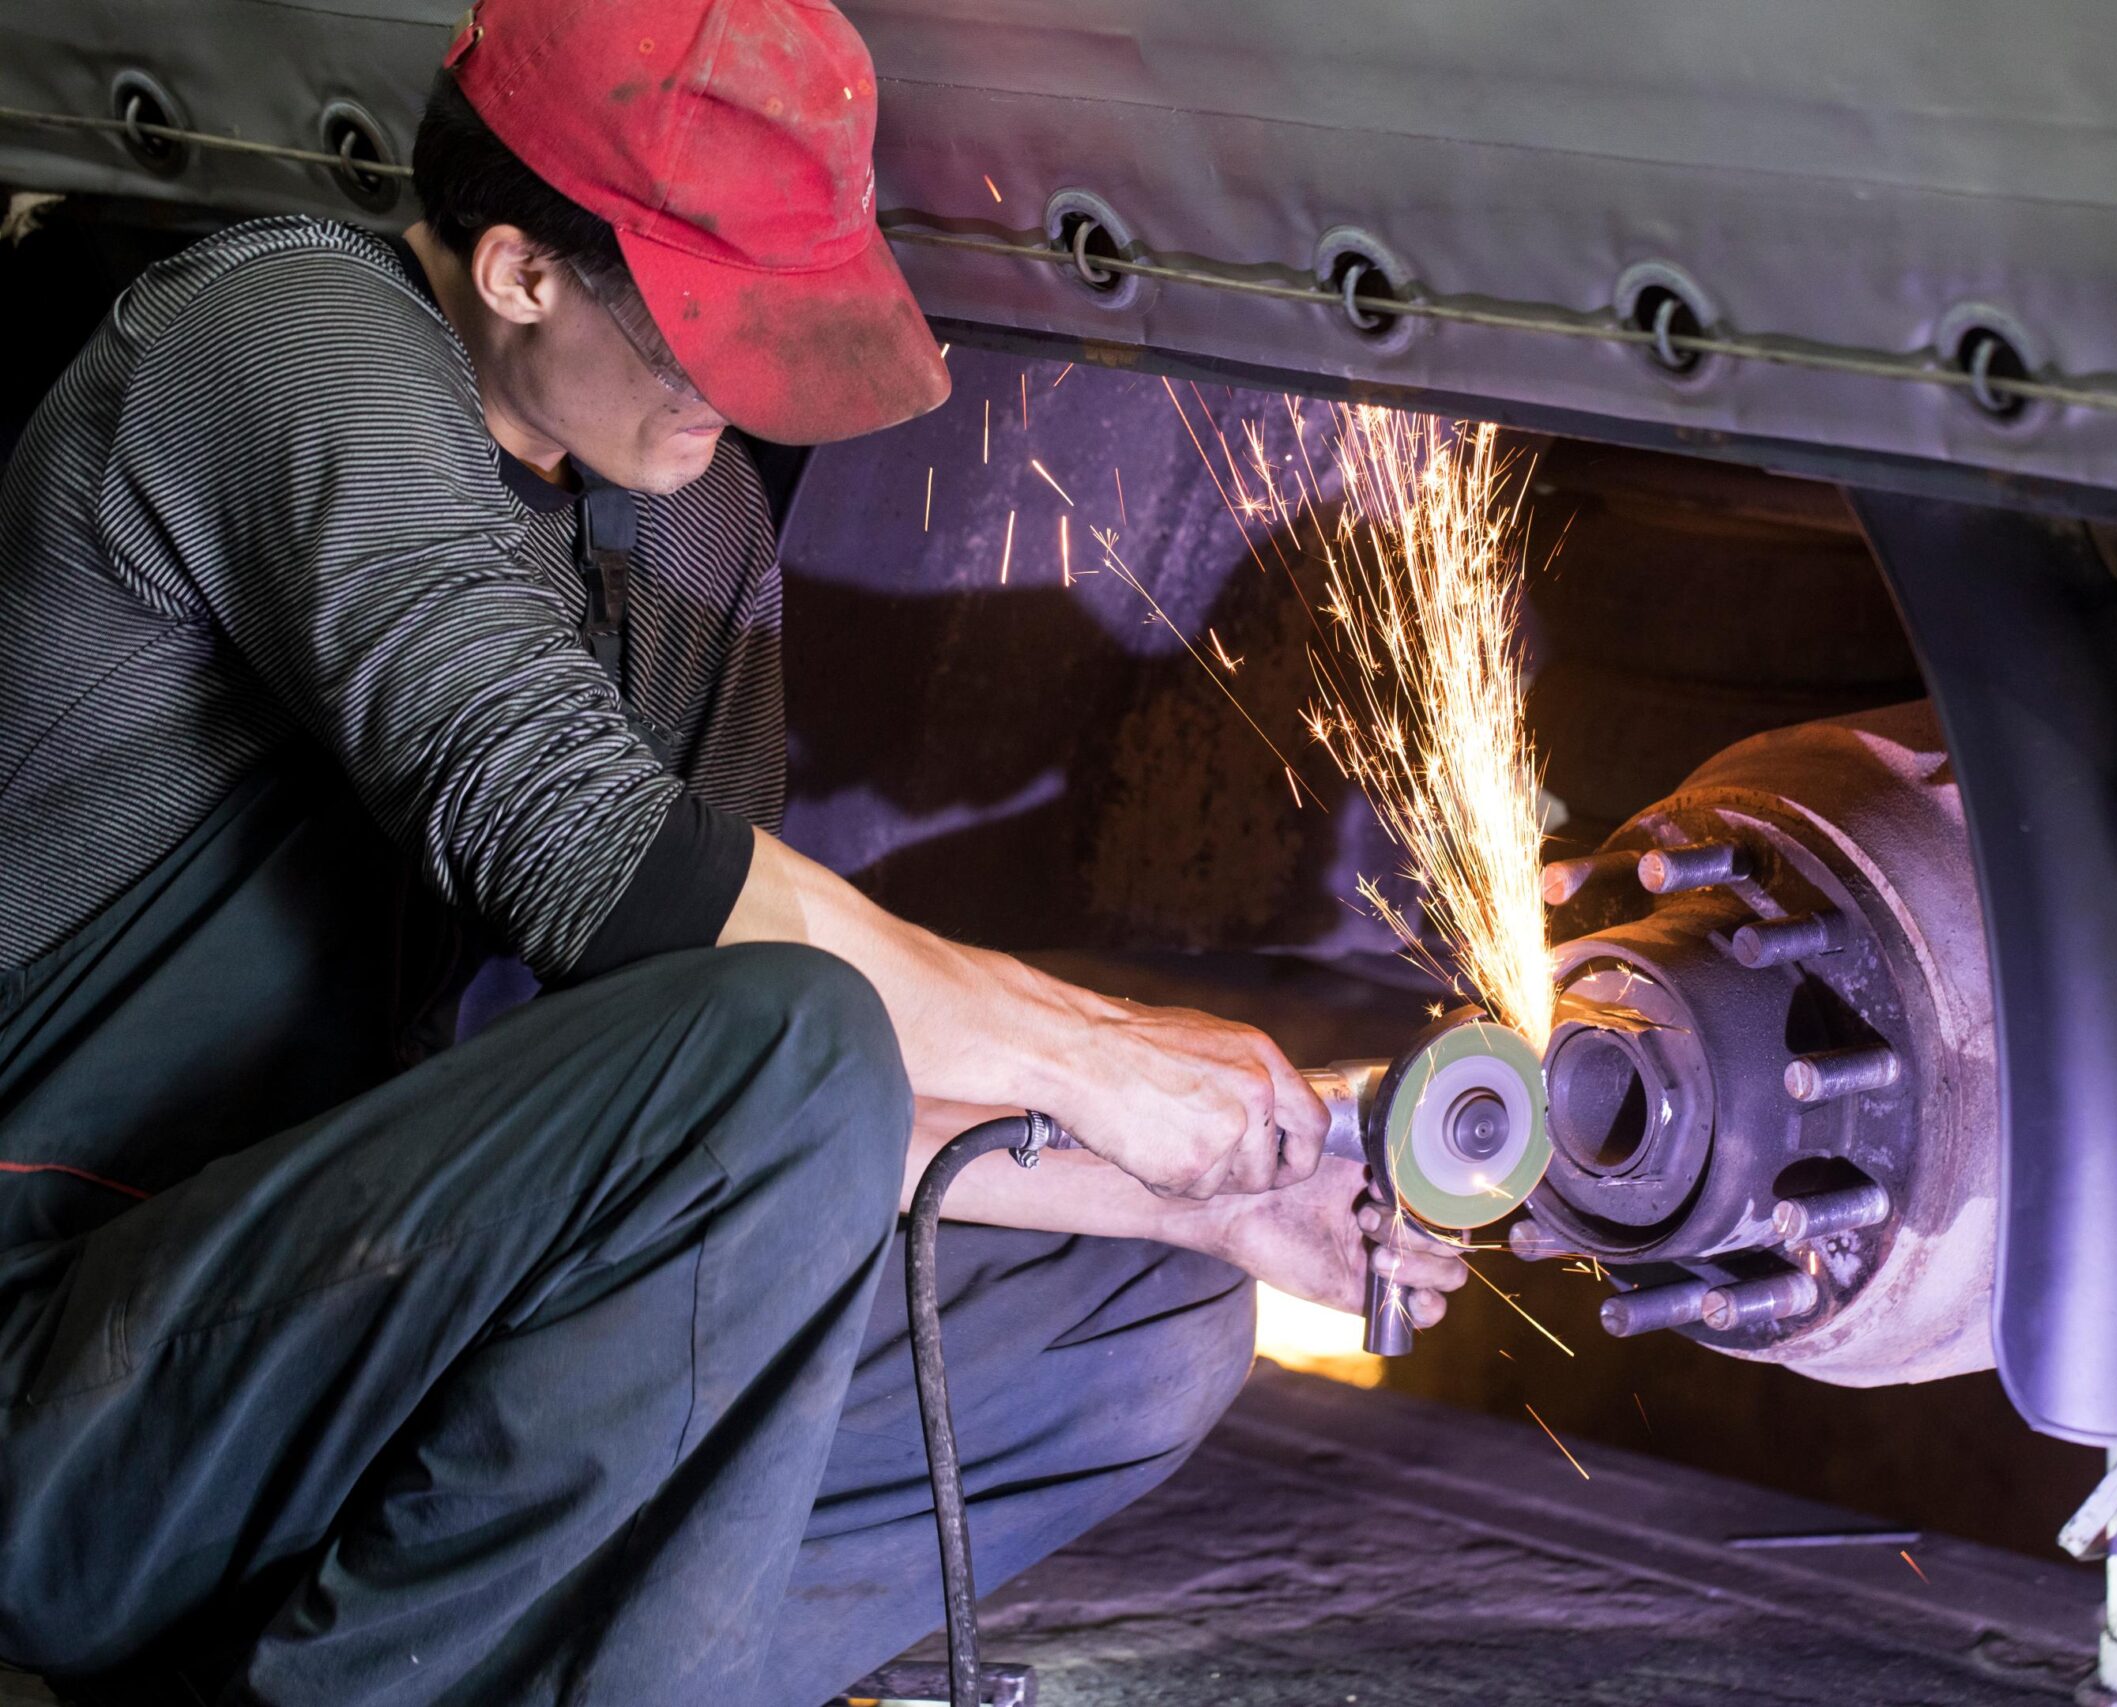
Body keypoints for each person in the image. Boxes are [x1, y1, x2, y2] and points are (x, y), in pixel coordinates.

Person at [0, 0, 1465, 1700]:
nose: (737, 388)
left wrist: (1214, 1198)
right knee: (787, 1025)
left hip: (336, 1338)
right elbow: (601, 865)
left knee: (1133, 1325)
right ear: (517, 269)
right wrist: (1108, 1058)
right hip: (67, 1384)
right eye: (694, 326)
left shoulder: (682, 527)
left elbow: (758, 1140)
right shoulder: (285, 340)